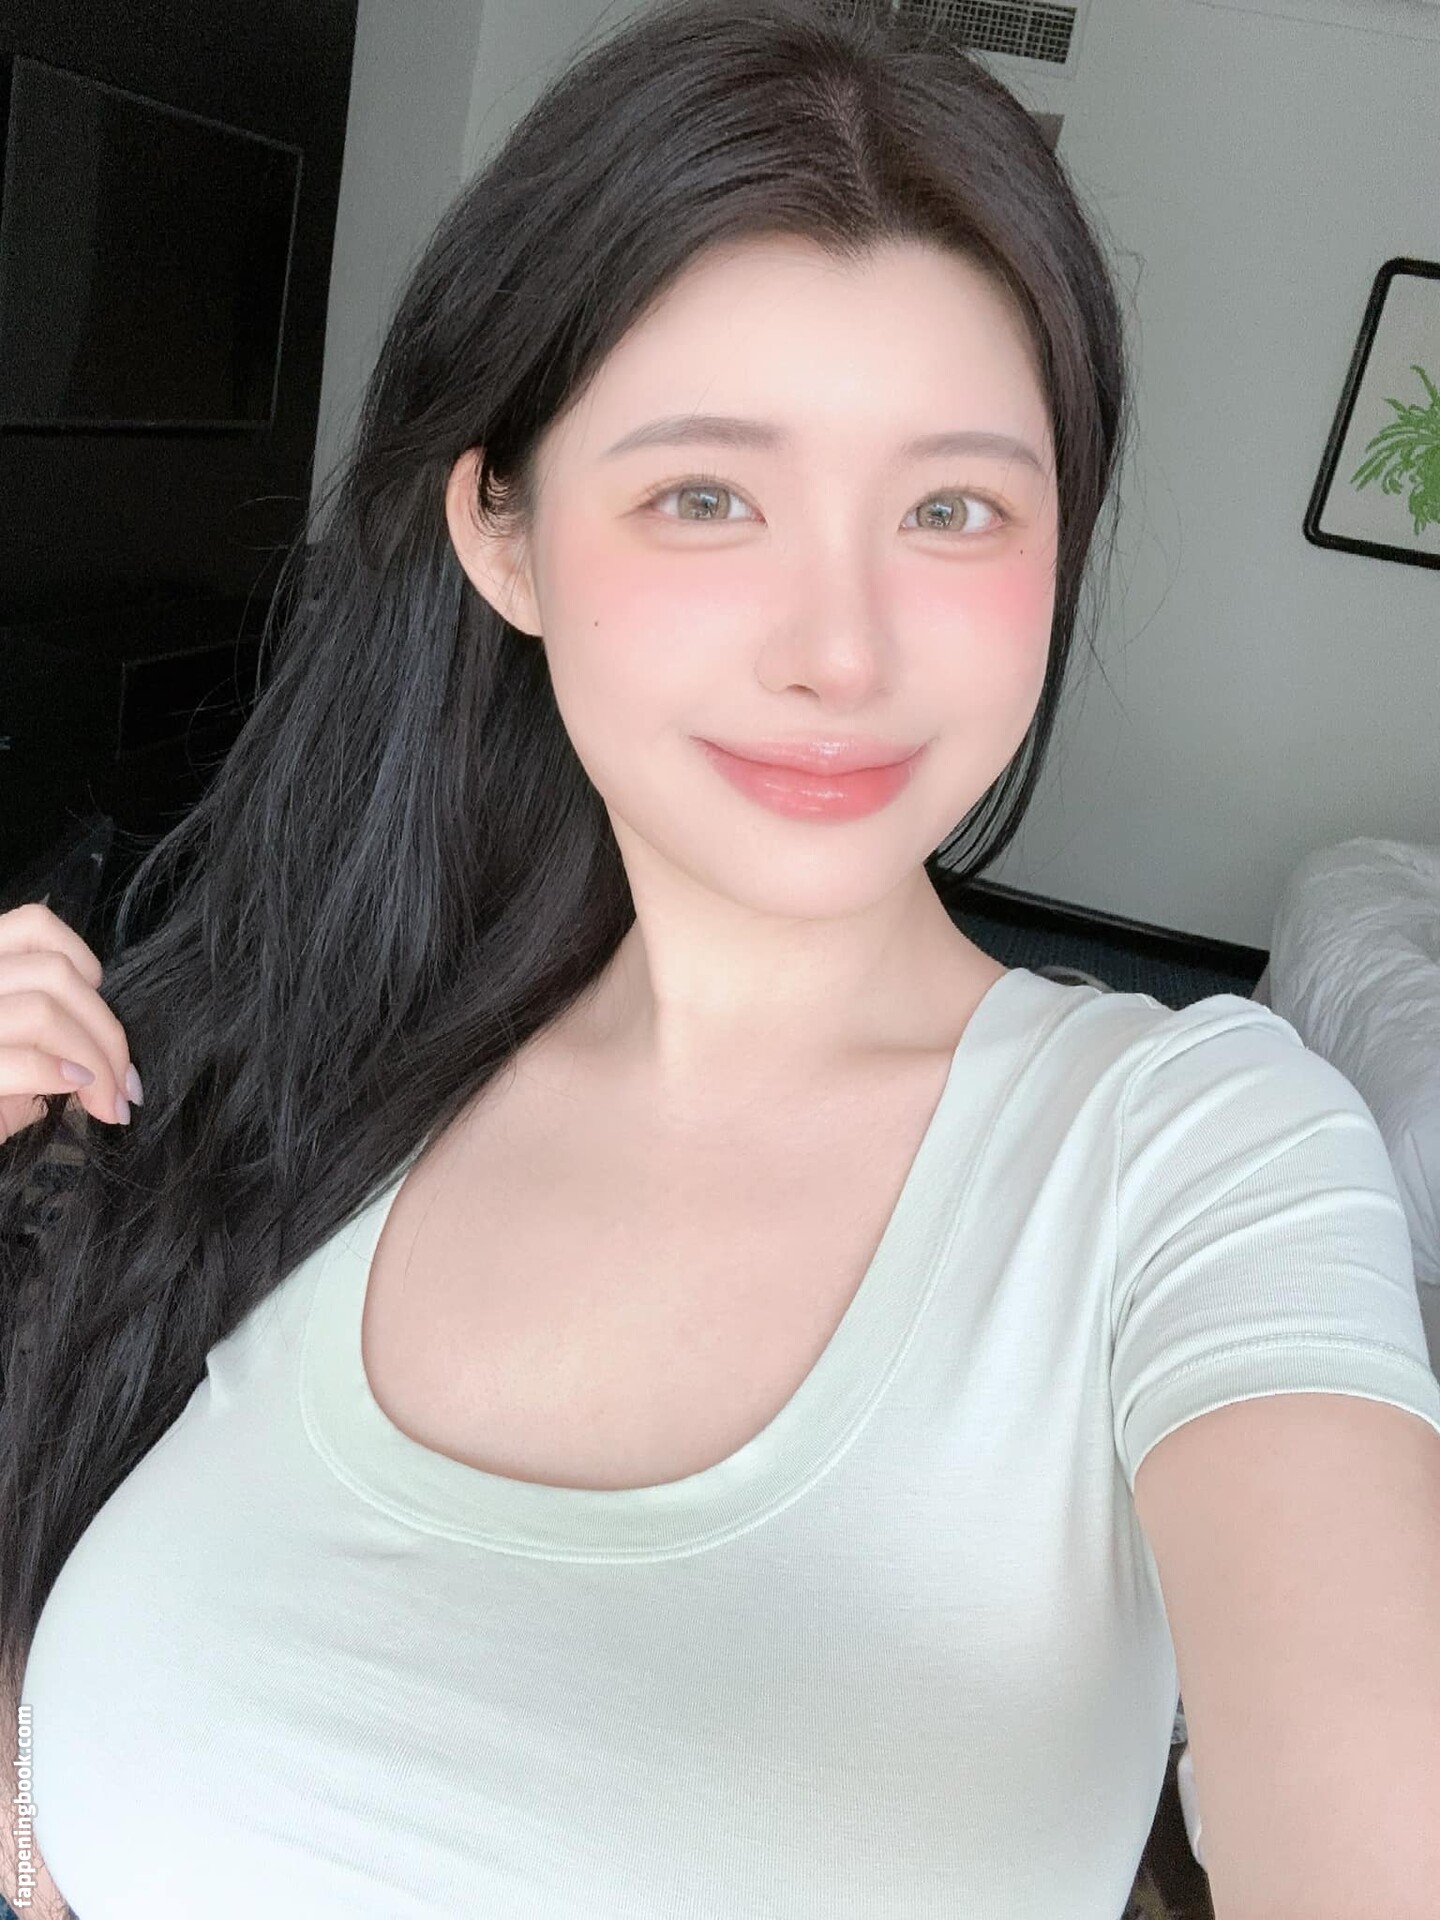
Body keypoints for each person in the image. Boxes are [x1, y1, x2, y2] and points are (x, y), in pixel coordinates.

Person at [3, 2, 1438, 1915]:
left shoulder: (1200, 1161)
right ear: (504, 536)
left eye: (952, 509)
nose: (841, 650)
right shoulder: (290, 1068)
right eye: (707, 497)